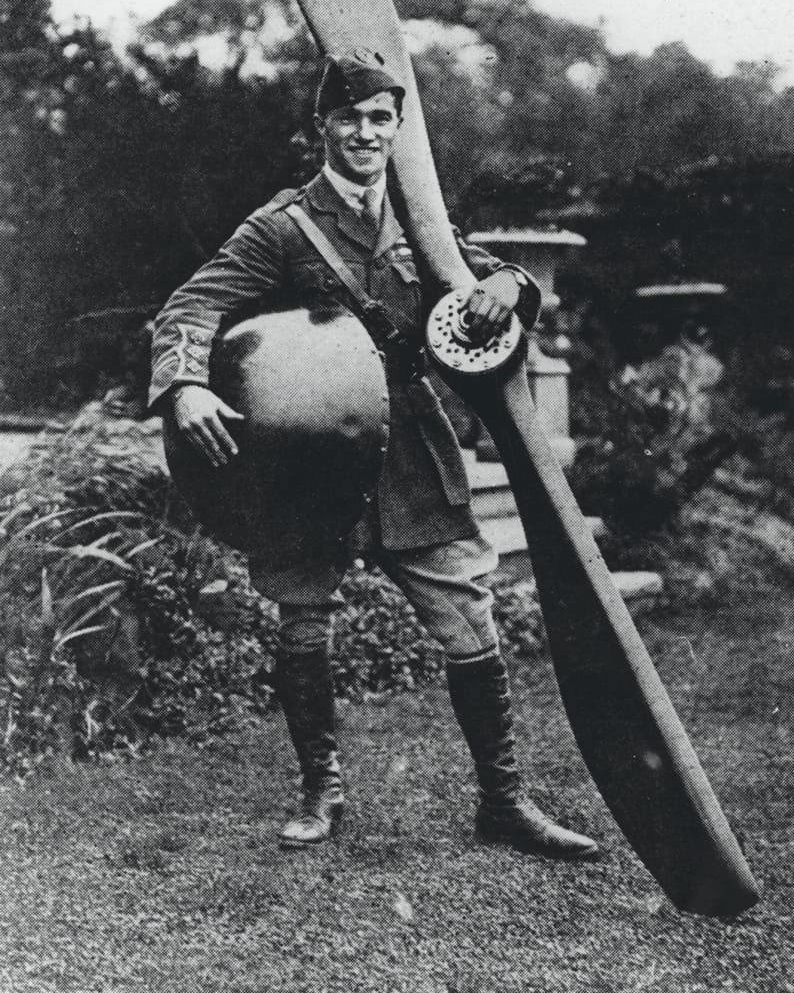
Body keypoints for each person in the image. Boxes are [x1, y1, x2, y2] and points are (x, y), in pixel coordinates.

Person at [149, 50, 599, 861]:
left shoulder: (417, 219)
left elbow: (483, 276)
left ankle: (504, 802)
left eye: (379, 119)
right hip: (310, 447)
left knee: (466, 618)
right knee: (303, 620)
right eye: (349, 118)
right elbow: (193, 304)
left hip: (409, 446)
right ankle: (320, 792)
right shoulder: (281, 226)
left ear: (396, 129)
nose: (363, 132)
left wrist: (510, 287)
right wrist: (184, 386)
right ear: (322, 127)